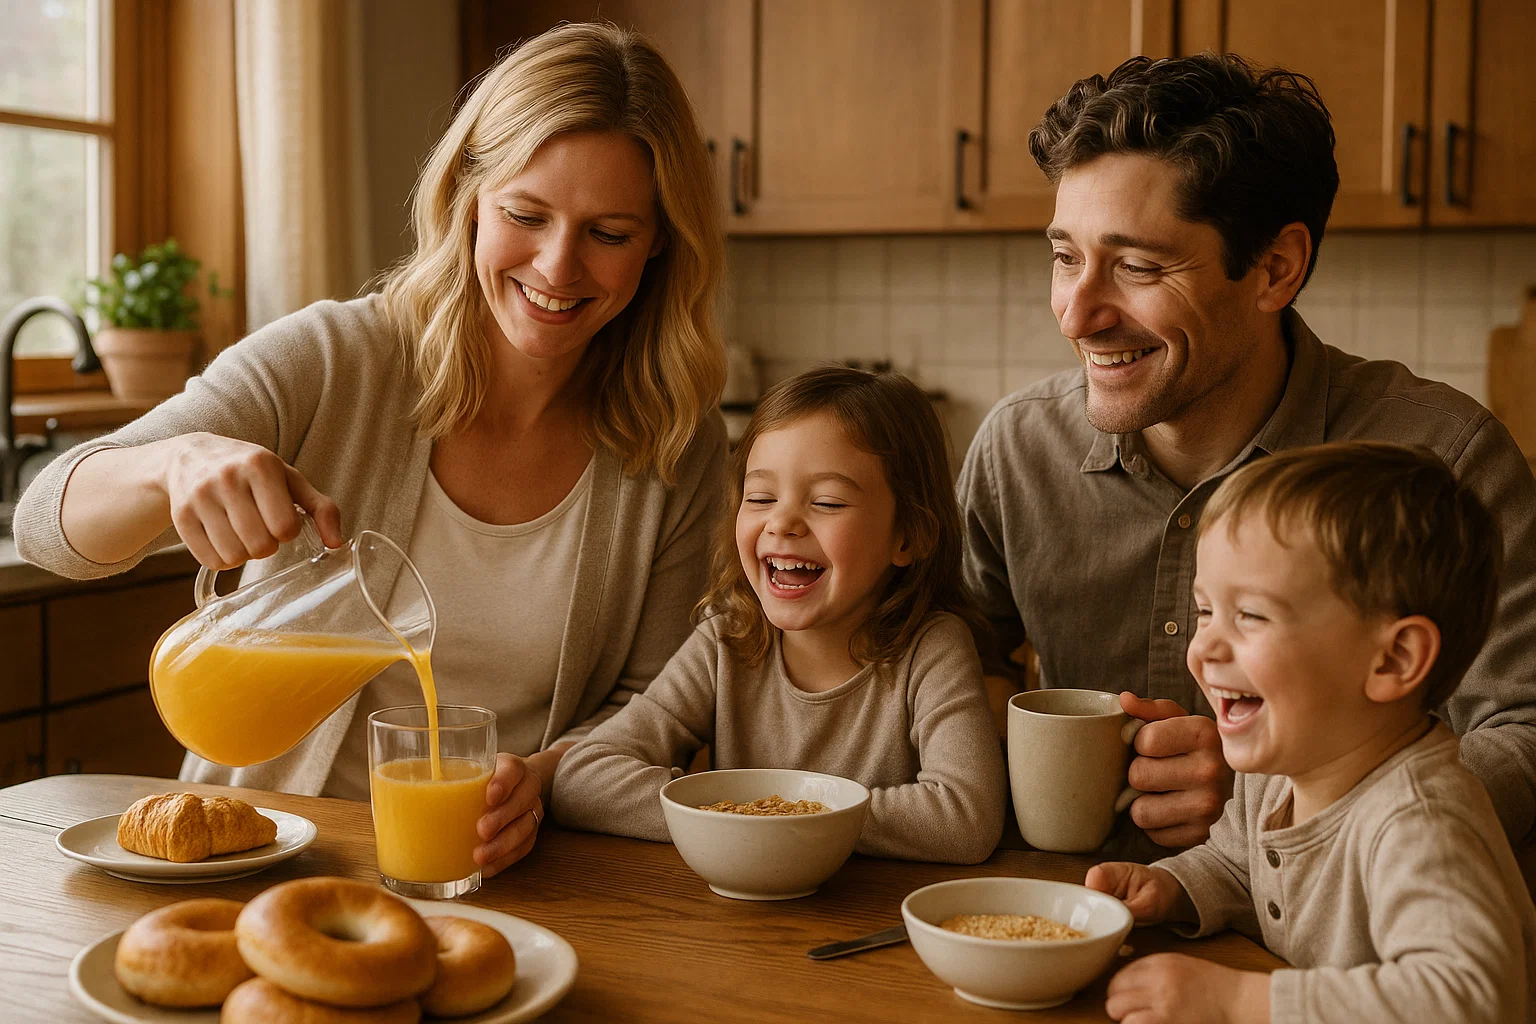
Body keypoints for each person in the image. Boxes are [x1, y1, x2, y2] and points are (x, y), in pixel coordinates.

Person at [13, 23, 728, 877]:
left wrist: (542, 779)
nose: (557, 265)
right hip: (258, 866)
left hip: (507, 883)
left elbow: (651, 701)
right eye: (525, 215)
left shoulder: (675, 438)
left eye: (609, 232)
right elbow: (44, 526)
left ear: (659, 243)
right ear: (469, 198)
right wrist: (172, 465)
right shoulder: (333, 361)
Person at [958, 53, 1536, 854]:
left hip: (1343, 952)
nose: (1077, 314)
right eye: (1065, 257)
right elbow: (950, 659)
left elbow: (1525, 733)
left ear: (1275, 269)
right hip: (1065, 916)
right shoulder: (1017, 450)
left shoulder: (1449, 460)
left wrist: (1286, 799)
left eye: (1137, 266)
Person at [1087, 442, 1536, 1024]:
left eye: (1250, 615)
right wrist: (1171, 887)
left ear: (1394, 659)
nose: (1204, 649)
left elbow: (1469, 1000)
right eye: (1205, 611)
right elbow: (1237, 865)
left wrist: (1236, 1002)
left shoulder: (1420, 825)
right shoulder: (1278, 771)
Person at [552, 367, 1007, 864]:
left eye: (827, 502)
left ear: (909, 536)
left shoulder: (933, 649)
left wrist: (767, 817)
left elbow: (966, 819)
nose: (782, 522)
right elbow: (582, 777)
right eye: (761, 497)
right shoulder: (725, 640)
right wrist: (756, 817)